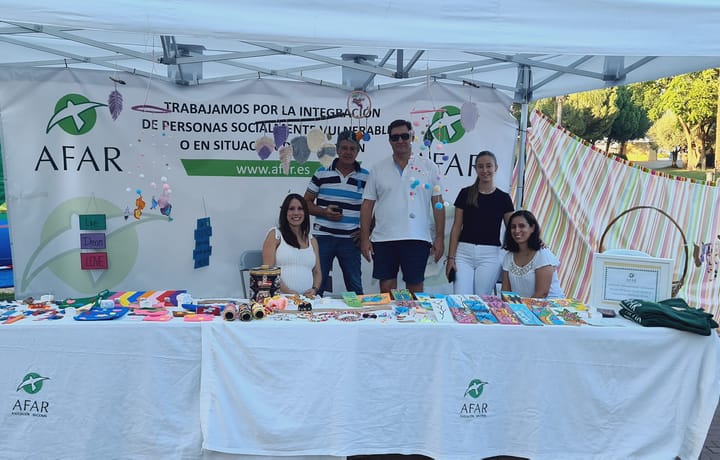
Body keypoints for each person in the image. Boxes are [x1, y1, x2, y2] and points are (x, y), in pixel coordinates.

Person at [360, 119, 445, 294]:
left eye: (404, 136)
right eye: (395, 137)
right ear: (389, 140)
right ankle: (390, 322)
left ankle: (412, 321)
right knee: (386, 289)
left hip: (417, 237)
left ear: (412, 137)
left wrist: (439, 238)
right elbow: (367, 205)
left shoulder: (429, 167)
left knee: (415, 289)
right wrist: (364, 238)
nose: (400, 141)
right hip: (384, 239)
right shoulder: (377, 169)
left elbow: (438, 204)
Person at [304, 130, 369, 295]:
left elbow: (373, 209)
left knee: (355, 287)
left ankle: (359, 319)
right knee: (317, 284)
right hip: (322, 238)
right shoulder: (321, 172)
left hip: (351, 239)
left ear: (358, 151)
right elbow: (305, 203)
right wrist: (324, 212)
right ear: (337, 150)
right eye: (344, 148)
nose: (348, 152)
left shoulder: (367, 177)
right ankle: (312, 318)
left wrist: (365, 233)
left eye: (352, 149)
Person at [446, 150, 514, 295]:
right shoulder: (465, 193)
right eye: (480, 166)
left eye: (489, 166)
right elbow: (457, 227)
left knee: (482, 298)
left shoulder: (504, 198)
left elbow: (513, 228)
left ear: (496, 168)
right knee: (461, 297)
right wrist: (451, 258)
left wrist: (535, 241)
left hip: (490, 255)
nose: (485, 170)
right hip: (463, 253)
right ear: (475, 169)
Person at [262, 193, 322, 296]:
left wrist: (314, 289)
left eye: (300, 208)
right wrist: (289, 292)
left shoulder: (312, 240)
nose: (296, 213)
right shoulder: (275, 234)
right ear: (285, 212)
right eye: (291, 209)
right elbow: (268, 271)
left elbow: (317, 271)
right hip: (280, 299)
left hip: (307, 300)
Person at [501, 210, 565, 298]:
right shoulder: (508, 257)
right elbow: (506, 292)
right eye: (513, 227)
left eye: (521, 226)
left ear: (532, 228)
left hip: (549, 307)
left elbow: (542, 293)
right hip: (523, 308)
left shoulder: (542, 254)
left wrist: (523, 310)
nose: (517, 230)